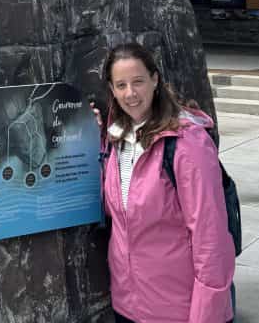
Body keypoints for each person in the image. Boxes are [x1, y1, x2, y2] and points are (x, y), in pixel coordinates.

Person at [95, 41, 235, 323]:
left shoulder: (186, 144)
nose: (130, 93)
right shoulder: (115, 140)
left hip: (178, 309)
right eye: (120, 85)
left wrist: (207, 314)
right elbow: (114, 211)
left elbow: (211, 238)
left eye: (138, 82)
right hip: (128, 304)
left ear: (155, 80)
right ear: (111, 89)